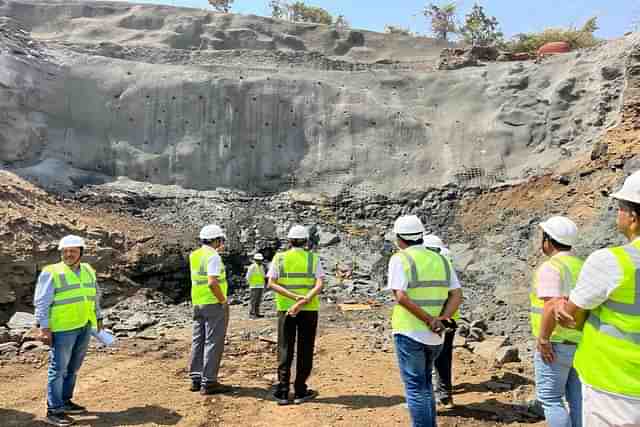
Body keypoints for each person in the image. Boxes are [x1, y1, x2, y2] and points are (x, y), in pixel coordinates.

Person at [556, 170, 640, 426]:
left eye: (620, 209)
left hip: (615, 389)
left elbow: (571, 318)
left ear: (633, 217)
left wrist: (562, 308)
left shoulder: (612, 262)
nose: (618, 214)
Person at [388, 216, 462, 427]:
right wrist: (442, 319)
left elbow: (400, 296)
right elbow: (457, 294)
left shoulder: (400, 259)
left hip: (410, 331)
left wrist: (430, 319)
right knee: (426, 385)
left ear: (399, 238)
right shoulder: (441, 259)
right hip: (435, 336)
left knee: (415, 387)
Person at [34, 235, 103, 427]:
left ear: (81, 252)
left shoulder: (88, 270)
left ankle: (65, 401)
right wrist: (44, 327)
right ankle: (53, 410)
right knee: (58, 369)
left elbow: (94, 295)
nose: (68, 254)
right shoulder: (52, 272)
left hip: (83, 325)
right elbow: (42, 302)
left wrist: (98, 316)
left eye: (73, 251)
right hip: (63, 329)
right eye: (65, 251)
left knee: (73, 368)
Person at [530, 216, 584, 427]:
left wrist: (543, 339)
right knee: (578, 399)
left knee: (551, 399)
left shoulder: (551, 267)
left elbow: (551, 305)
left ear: (548, 241)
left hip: (554, 344)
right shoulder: (581, 265)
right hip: (579, 343)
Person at [267, 225, 324, 405]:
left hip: (285, 309)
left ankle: (283, 391)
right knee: (305, 348)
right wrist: (303, 300)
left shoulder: (280, 258)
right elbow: (319, 284)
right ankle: (300, 390)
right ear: (306, 241)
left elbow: (271, 283)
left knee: (285, 348)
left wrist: (293, 299)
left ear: (289, 240)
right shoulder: (313, 258)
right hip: (309, 309)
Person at [188, 224, 231, 395]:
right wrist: (223, 300)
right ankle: (209, 382)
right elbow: (212, 282)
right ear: (216, 240)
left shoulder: (195, 255)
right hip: (213, 303)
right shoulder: (213, 256)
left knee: (198, 339)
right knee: (213, 341)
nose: (222, 243)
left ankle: (196, 378)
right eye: (221, 240)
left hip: (197, 302)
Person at [423, 234, 461, 409]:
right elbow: (456, 294)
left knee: (425, 360)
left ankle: (426, 399)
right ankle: (445, 396)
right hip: (449, 319)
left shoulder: (427, 265)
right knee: (443, 358)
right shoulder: (447, 263)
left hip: (428, 320)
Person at [247, 253, 266, 318]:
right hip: (254, 286)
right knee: (253, 301)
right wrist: (250, 284)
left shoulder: (261, 267)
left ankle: (257, 313)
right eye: (258, 260)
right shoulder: (252, 267)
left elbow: (263, 276)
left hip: (260, 286)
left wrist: (264, 284)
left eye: (260, 260)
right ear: (255, 260)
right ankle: (252, 314)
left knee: (258, 301)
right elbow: (248, 277)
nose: (259, 261)